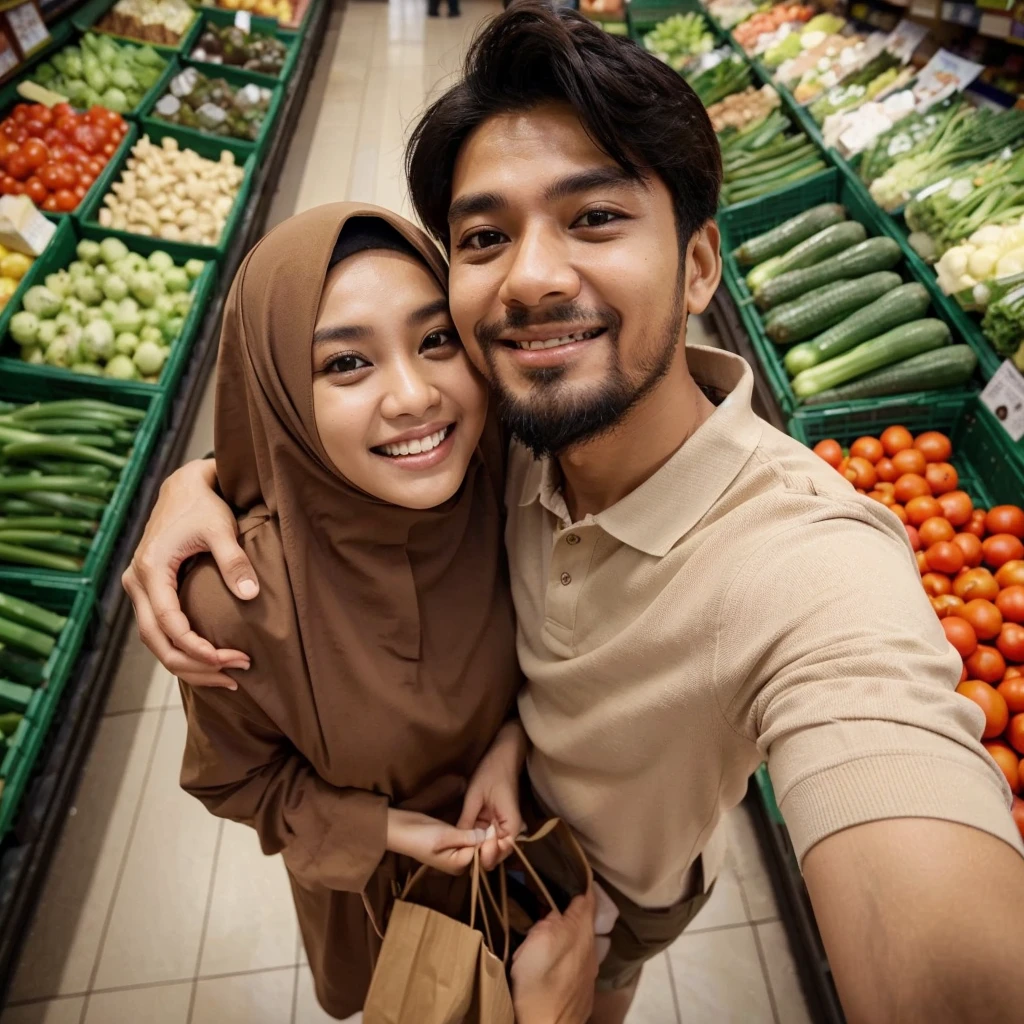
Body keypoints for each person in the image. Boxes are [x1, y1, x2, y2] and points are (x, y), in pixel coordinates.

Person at [125, 5, 1024, 1023]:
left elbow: (895, 790)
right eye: (484, 236)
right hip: (445, 874)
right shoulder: (496, 438)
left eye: (594, 217)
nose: (534, 276)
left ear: (695, 267)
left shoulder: (806, 561)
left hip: (611, 905)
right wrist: (197, 482)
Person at [172, 201, 598, 1022]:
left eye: (437, 341)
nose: (413, 397)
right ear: (281, 398)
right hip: (368, 891)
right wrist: (388, 832)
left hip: (528, 841)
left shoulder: (515, 479)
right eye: (344, 366)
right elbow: (235, 779)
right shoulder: (232, 599)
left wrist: (509, 743)